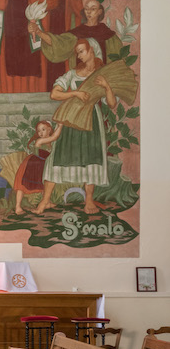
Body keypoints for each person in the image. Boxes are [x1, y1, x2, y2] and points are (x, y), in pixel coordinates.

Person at [33, 38, 119, 216]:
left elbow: (112, 104)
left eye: (81, 51)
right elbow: (54, 94)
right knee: (57, 158)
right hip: (70, 121)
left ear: (91, 50)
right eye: (77, 52)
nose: (79, 55)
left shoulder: (101, 75)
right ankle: (45, 200)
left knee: (90, 158)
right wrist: (75, 93)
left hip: (91, 123)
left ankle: (88, 200)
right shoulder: (72, 74)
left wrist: (107, 86)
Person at [12, 120, 63, 214]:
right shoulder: (40, 141)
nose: (40, 133)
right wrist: (60, 126)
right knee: (22, 185)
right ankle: (18, 206)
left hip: (42, 165)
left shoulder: (51, 143)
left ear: (49, 130)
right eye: (39, 131)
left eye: (43, 130)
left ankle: (47, 202)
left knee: (44, 184)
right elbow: (55, 136)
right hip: (31, 165)